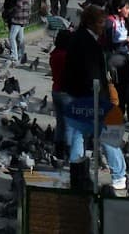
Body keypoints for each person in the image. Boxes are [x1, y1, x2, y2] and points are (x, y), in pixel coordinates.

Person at [61, 3, 129, 194]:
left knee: (78, 134)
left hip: (77, 95)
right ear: (90, 22)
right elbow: (92, 75)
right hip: (91, 98)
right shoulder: (88, 42)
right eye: (100, 22)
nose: (103, 26)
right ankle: (119, 175)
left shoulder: (79, 37)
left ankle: (77, 171)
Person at [49, 29, 72, 161]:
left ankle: (58, 150)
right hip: (67, 92)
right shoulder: (67, 56)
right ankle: (69, 152)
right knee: (69, 125)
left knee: (60, 123)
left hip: (56, 90)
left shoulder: (54, 54)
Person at [2, 0, 32, 64]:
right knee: (20, 38)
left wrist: (10, 13)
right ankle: (21, 55)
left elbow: (19, 5)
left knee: (12, 37)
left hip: (17, 17)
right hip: (24, 16)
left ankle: (14, 55)